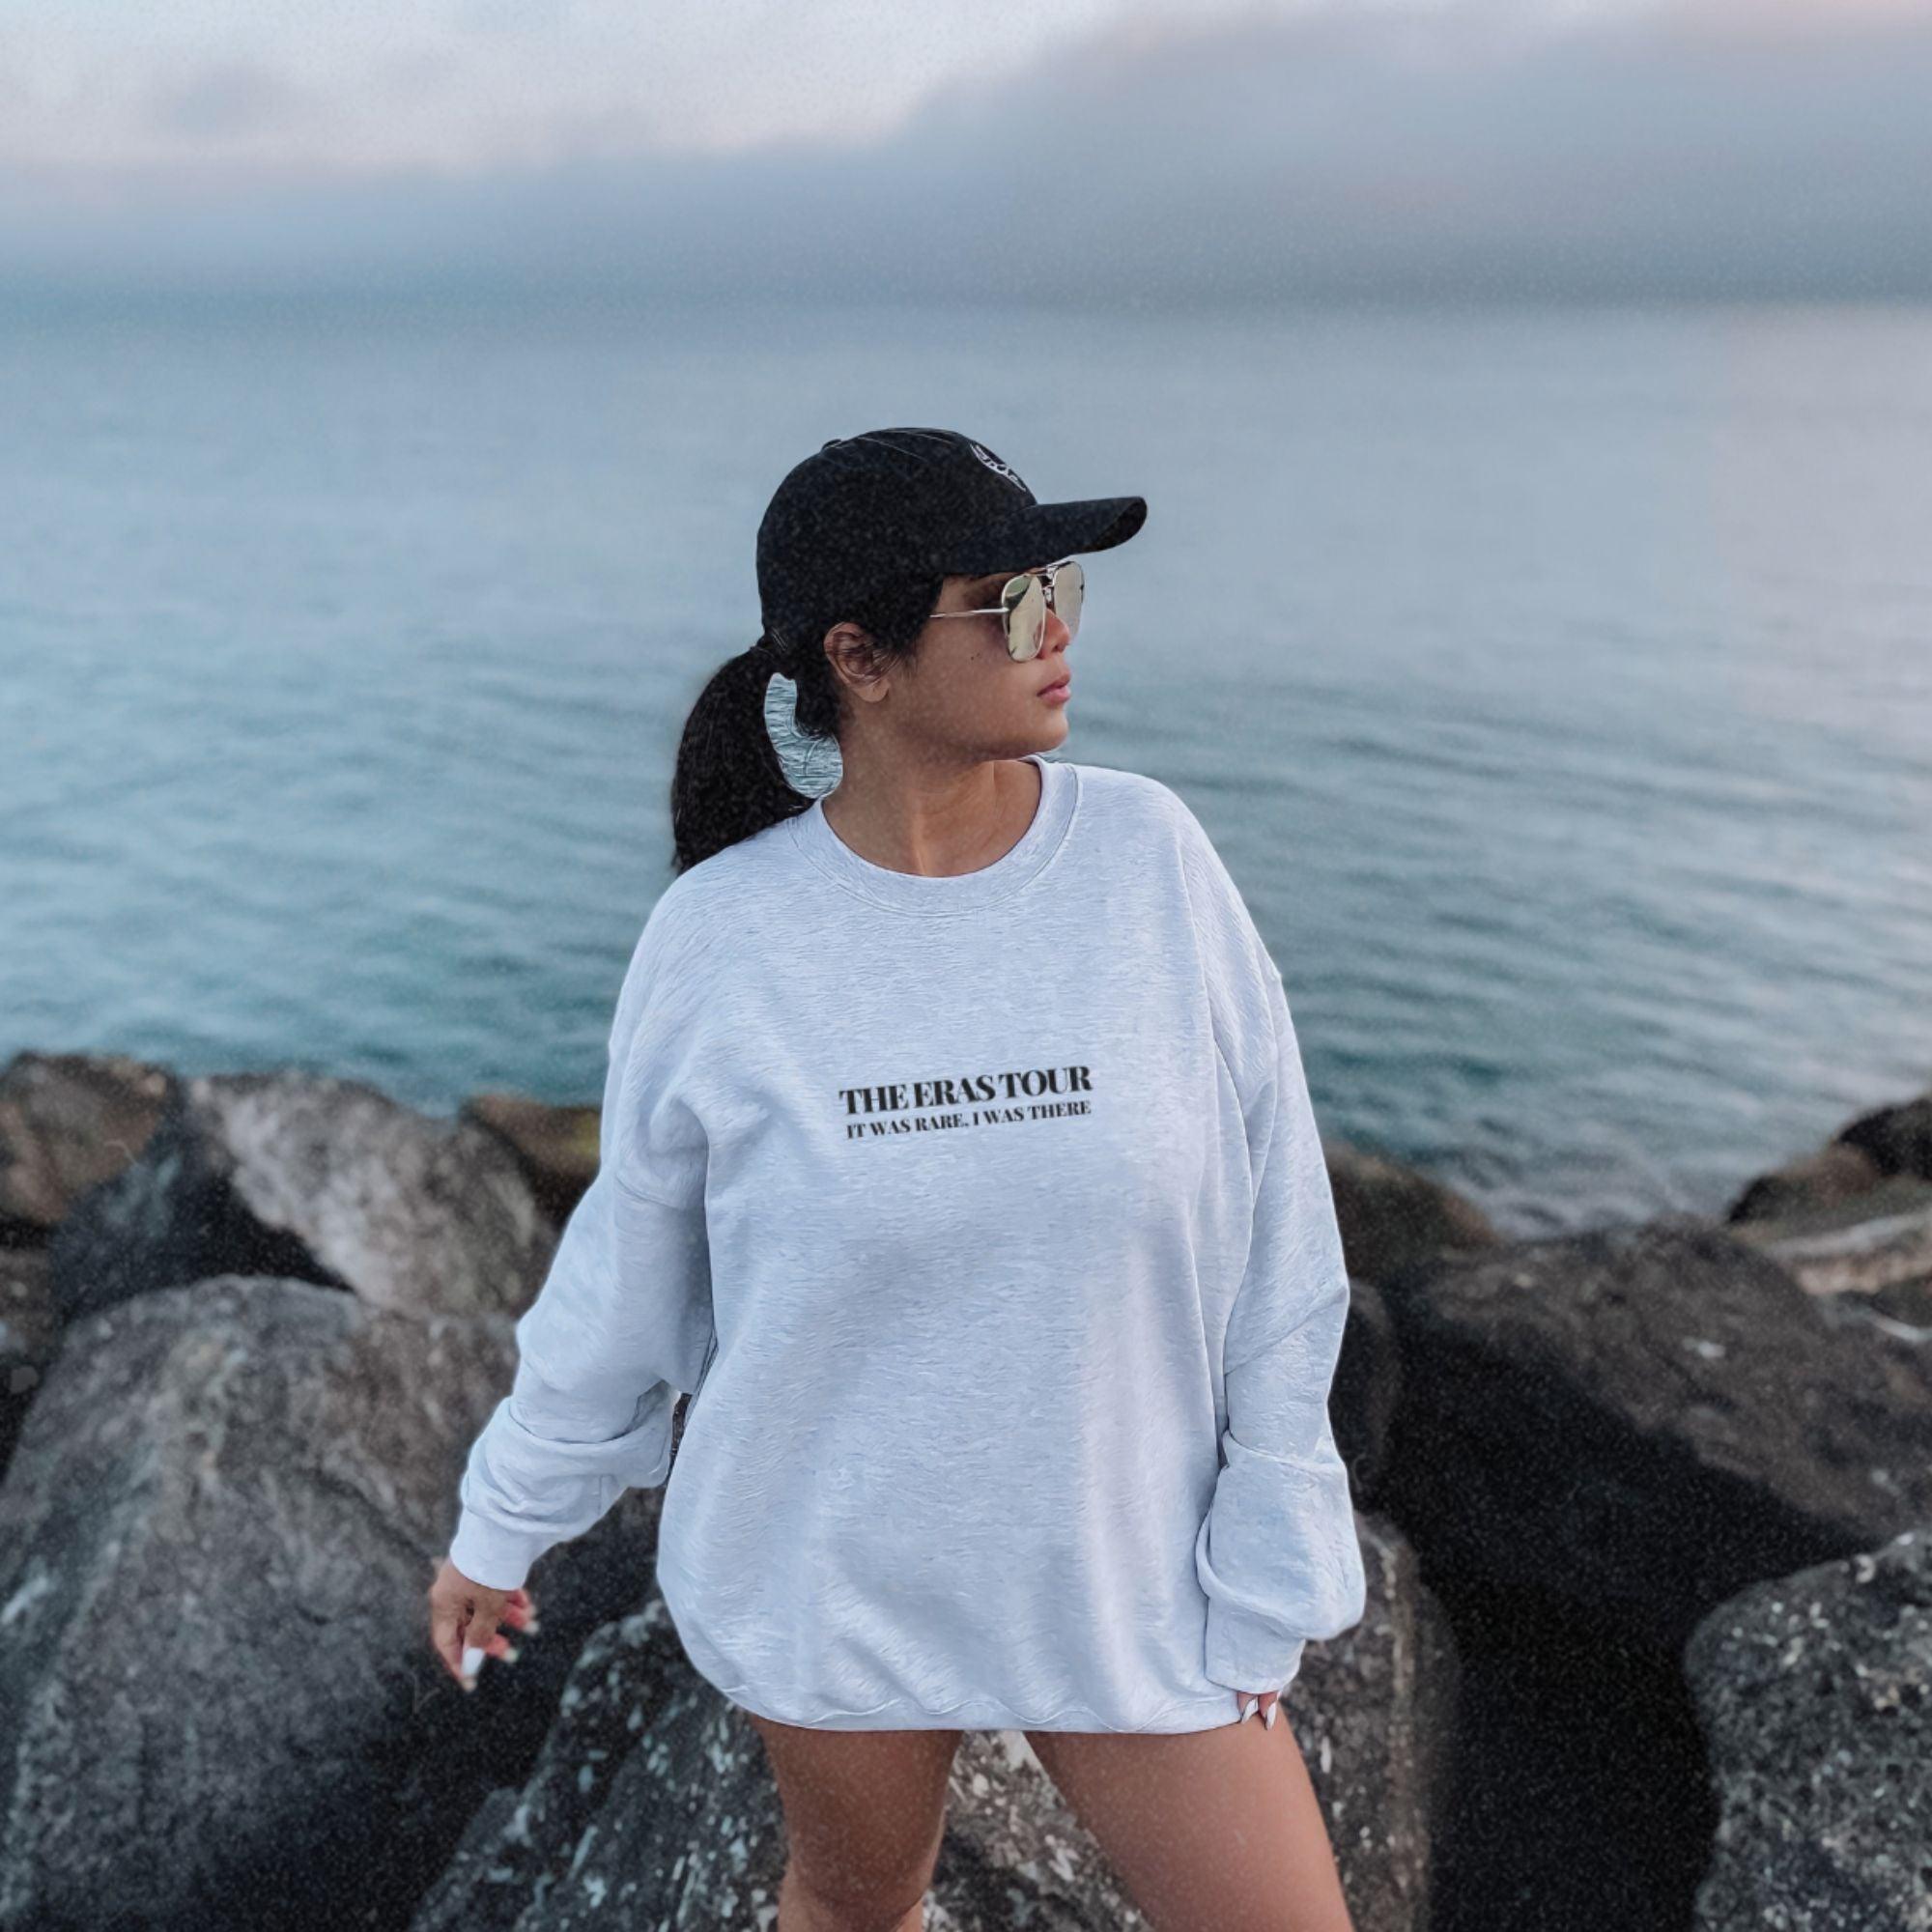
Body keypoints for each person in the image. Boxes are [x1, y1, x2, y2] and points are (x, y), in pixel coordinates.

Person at [426, 427, 1367, 1931]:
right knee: (858, 1909)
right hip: (827, 1569)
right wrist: (502, 1521)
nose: (1055, 632)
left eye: (1059, 587)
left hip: (1132, 1569)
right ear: (858, 659)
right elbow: (631, 1283)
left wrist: (1273, 1536)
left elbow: (1279, 1240)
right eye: (1008, 604)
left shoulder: (1149, 859)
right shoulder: (721, 940)